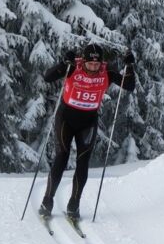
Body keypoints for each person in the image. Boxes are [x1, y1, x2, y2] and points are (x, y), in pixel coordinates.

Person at [39, 43, 135, 220]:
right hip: (66, 118)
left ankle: (74, 205)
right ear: (83, 61)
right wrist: (63, 64)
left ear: (101, 63)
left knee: (83, 162)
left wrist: (130, 67)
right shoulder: (73, 68)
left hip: (88, 121)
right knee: (62, 157)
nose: (93, 67)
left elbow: (129, 85)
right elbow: (47, 77)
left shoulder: (106, 73)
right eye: (89, 64)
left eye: (96, 64)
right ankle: (47, 200)